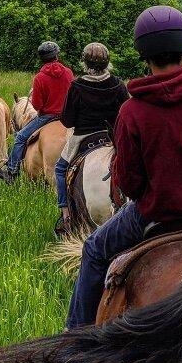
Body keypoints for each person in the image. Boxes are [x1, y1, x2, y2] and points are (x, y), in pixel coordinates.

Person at [65, 5, 182, 329]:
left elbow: (130, 184)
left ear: (144, 55)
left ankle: (74, 337)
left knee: (93, 250)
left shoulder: (132, 112)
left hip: (152, 215)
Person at [54, 43, 130, 235]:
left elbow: (67, 120)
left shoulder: (77, 86)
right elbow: (127, 115)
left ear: (85, 62)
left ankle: (65, 215)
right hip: (112, 139)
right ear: (107, 63)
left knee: (60, 168)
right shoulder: (118, 85)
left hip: (83, 138)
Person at [0, 41, 74, 183]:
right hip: (67, 117)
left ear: (42, 58)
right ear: (57, 55)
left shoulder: (40, 77)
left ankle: (12, 171)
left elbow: (37, 104)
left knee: (20, 137)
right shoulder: (68, 73)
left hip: (47, 117)